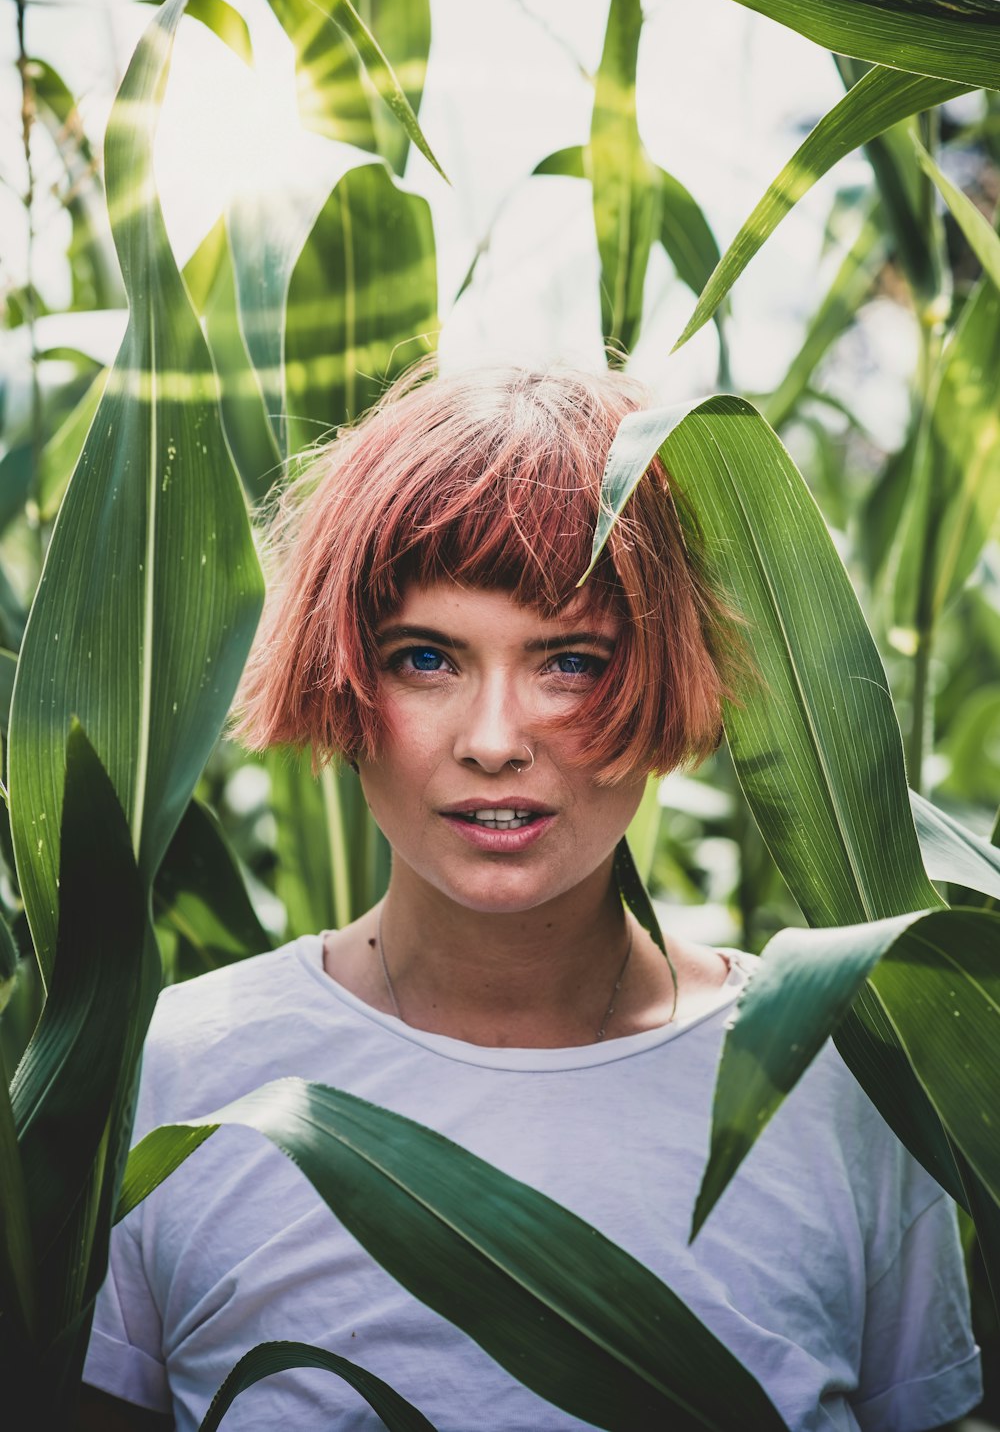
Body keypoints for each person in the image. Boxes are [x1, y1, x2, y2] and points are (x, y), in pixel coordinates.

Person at [80, 364, 981, 1431]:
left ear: (666, 672)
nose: (495, 741)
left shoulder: (839, 1085)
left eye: (569, 662)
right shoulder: (180, 1071)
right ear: (340, 676)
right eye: (426, 658)